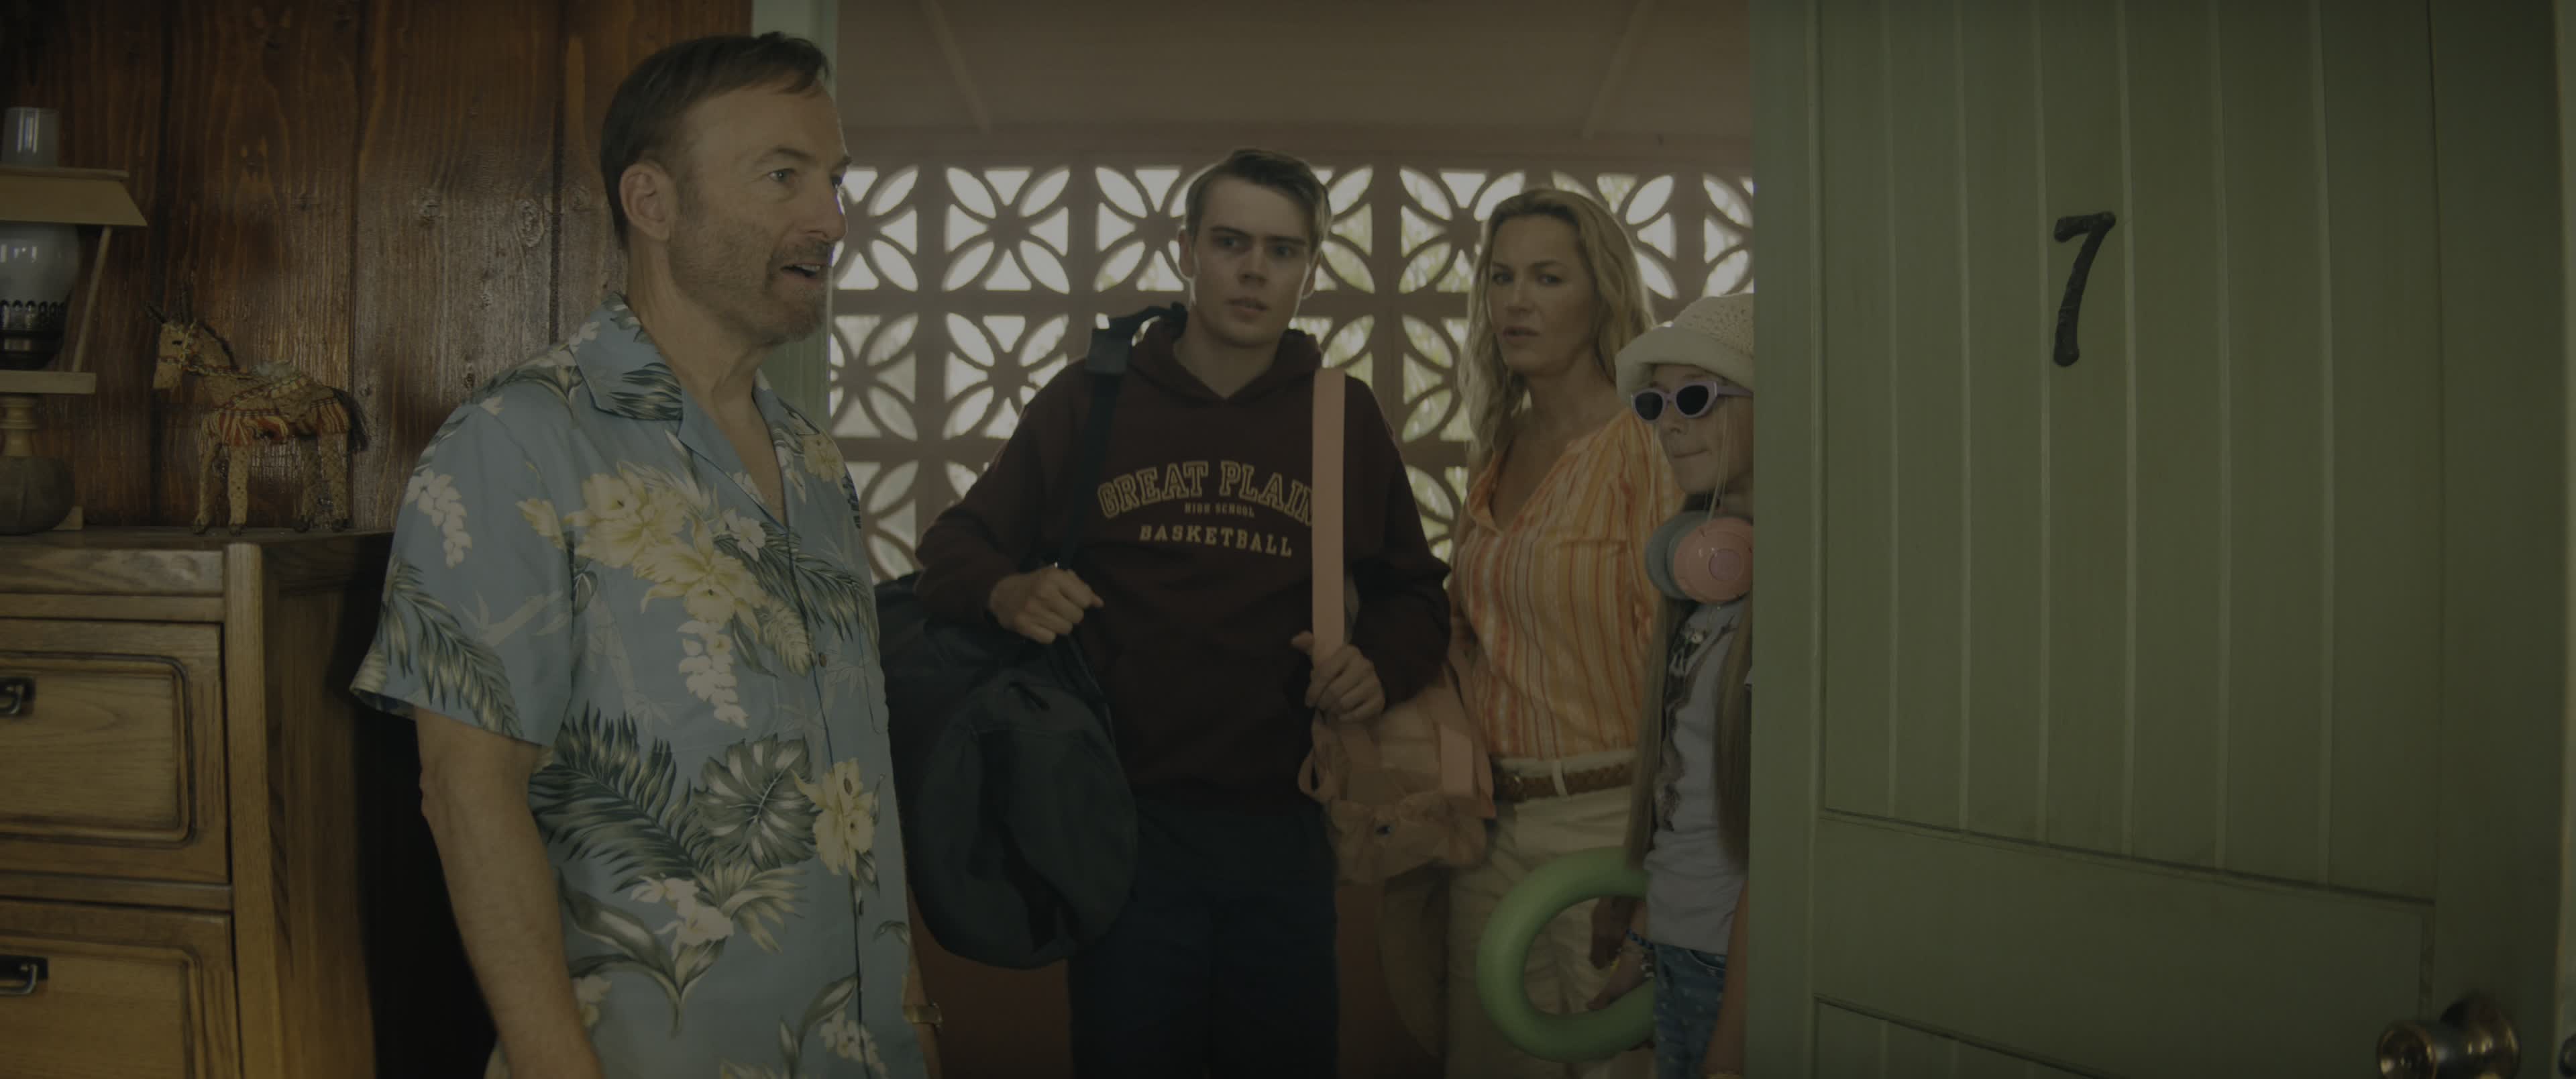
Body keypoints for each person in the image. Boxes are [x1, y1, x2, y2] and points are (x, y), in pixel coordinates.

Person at [350, 33, 928, 1079]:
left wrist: (913, 1012)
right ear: (653, 203)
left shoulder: (814, 462)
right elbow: (467, 796)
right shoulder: (518, 444)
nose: (832, 219)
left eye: (835, 181)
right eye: (784, 176)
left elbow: (857, 776)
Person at [911, 147, 1451, 1079]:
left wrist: (1377, 664)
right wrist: (1009, 590)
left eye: (1283, 251)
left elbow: (1416, 595)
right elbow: (954, 548)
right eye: (1231, 243)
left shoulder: (1342, 415)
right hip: (1118, 825)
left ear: (1309, 270)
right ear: (1187, 251)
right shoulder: (1092, 400)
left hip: (1286, 827)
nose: (1254, 271)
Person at [1442, 188, 1677, 1079]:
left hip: (1612, 822)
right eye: (1501, 278)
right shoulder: (1495, 448)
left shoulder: (1647, 443)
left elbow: (1686, 672)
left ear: (1602, 294)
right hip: (1492, 829)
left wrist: (1658, 865)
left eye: (1547, 278)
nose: (1517, 301)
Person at [1585, 293, 1757, 1079]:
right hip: (1684, 959)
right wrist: (1645, 947)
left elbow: (1778, 856)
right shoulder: (1706, 594)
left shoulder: (1797, 608)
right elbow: (1687, 795)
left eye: (1697, 397)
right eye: (1657, 404)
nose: (1670, 424)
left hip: (1738, 974)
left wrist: (1731, 1046)